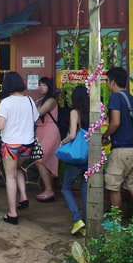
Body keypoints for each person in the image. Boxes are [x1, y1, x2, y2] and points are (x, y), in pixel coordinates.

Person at [0, 72, 40, 225]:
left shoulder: (6, 102)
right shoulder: (29, 100)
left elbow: (0, 126)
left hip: (11, 145)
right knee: (17, 169)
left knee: (10, 176)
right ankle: (23, 197)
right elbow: (36, 120)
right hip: (27, 144)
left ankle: (12, 213)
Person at [101, 67, 133, 221]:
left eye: (107, 82)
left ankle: (115, 222)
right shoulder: (132, 98)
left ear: (112, 82)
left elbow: (115, 123)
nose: (107, 85)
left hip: (122, 150)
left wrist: (105, 135)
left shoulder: (115, 98)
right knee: (132, 185)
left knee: (113, 186)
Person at [60, 85, 90, 235]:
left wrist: (62, 142)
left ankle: (77, 219)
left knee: (66, 188)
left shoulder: (75, 112)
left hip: (76, 157)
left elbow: (72, 135)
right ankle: (86, 223)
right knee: (85, 191)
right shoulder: (92, 113)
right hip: (88, 156)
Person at [34, 76, 60, 202]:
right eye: (40, 85)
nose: (41, 87)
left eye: (44, 85)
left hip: (50, 131)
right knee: (41, 159)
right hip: (40, 130)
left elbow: (37, 114)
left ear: (49, 86)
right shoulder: (39, 100)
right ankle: (49, 189)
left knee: (40, 158)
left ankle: (49, 190)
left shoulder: (50, 100)